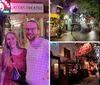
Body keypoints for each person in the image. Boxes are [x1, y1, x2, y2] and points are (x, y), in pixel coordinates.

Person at [24, 20, 49, 85]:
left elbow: (56, 59)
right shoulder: (28, 45)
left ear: (38, 31)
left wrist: (48, 75)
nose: (29, 31)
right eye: (27, 29)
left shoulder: (46, 44)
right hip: (28, 82)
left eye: (32, 29)